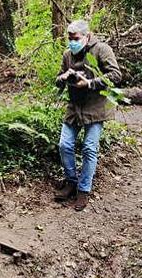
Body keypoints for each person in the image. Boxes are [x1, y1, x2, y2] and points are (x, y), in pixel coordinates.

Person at [54, 19, 122, 211]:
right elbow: (57, 80)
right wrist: (64, 77)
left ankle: (84, 190)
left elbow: (116, 75)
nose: (71, 42)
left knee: (89, 149)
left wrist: (90, 83)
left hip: (96, 108)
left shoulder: (101, 50)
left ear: (86, 36)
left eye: (75, 38)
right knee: (64, 145)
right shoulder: (68, 54)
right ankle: (71, 182)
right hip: (74, 107)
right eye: (69, 38)